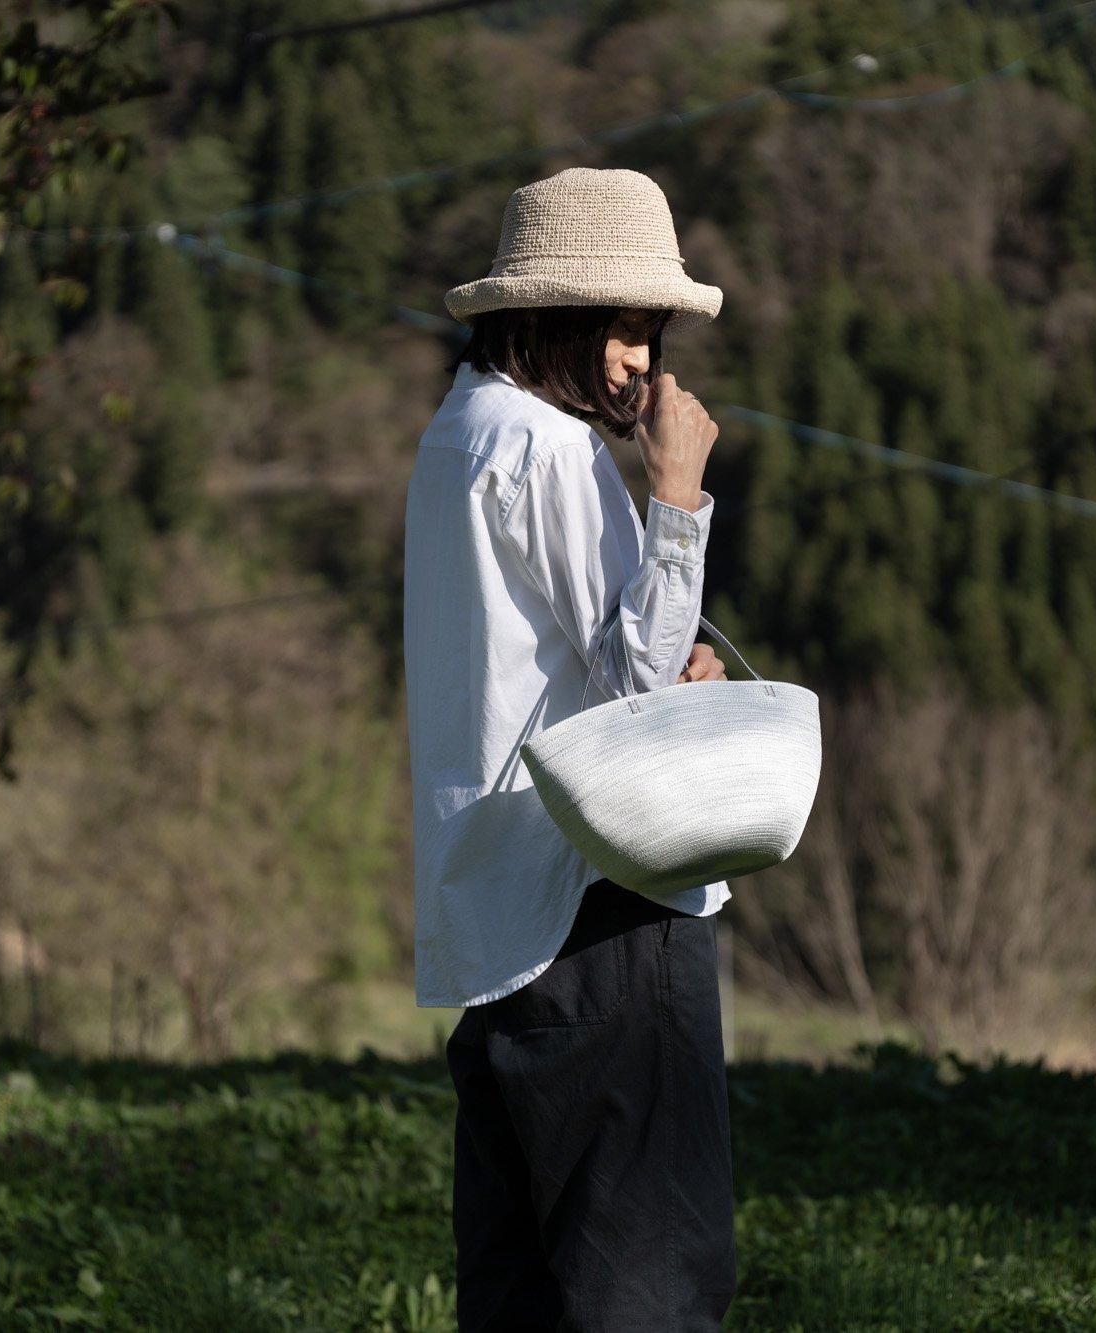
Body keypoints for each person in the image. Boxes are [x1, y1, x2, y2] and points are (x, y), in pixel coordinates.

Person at [400, 165, 736, 1330]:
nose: (642, 359)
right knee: (646, 1278)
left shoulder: (457, 434)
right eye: (630, 328)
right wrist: (678, 499)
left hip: (501, 913)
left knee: (518, 1284)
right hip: (598, 901)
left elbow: (571, 659)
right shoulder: (545, 446)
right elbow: (636, 680)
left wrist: (658, 633)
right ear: (558, 315)